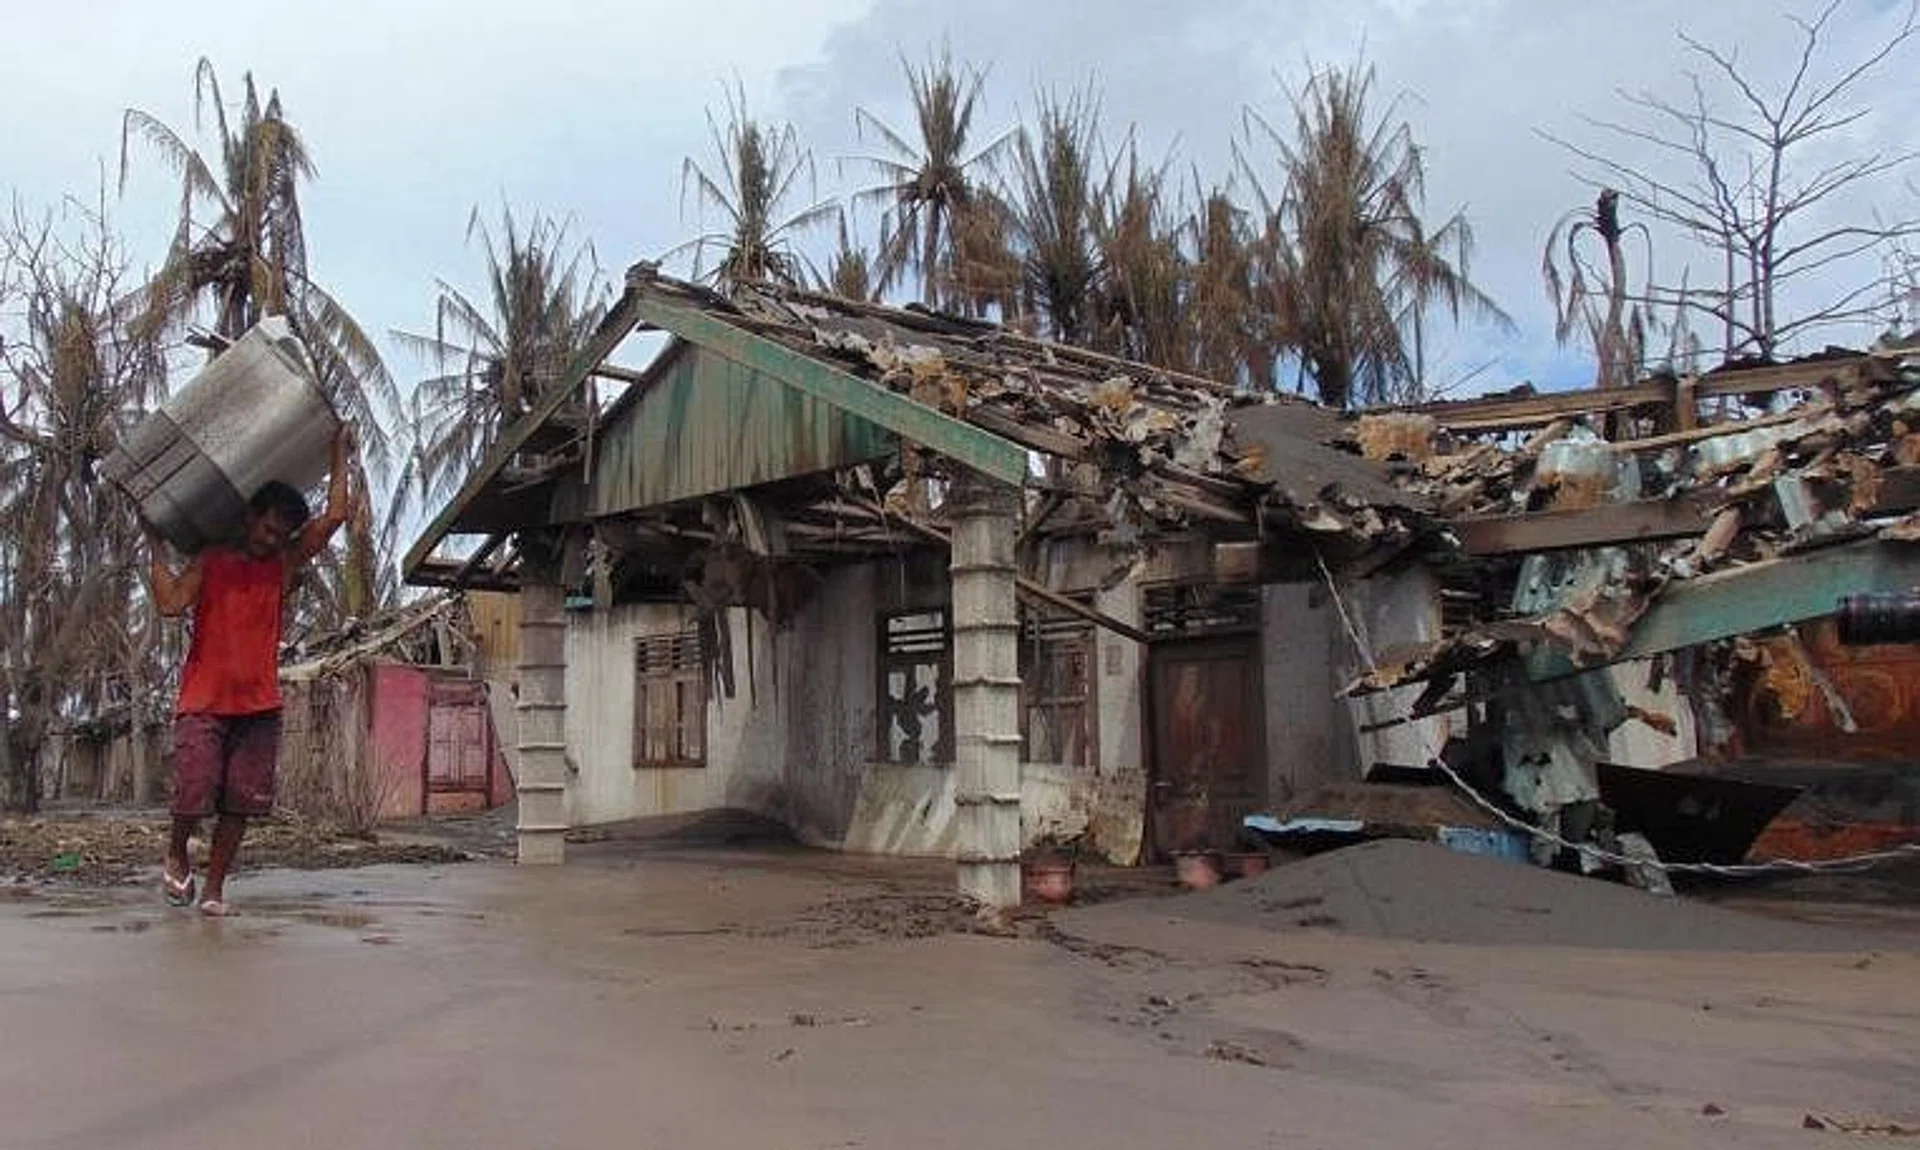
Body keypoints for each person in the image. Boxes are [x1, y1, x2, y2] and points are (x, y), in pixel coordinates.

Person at [144, 425, 354, 916]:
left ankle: (214, 890)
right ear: (249, 517)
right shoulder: (212, 558)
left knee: (241, 804)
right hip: (203, 700)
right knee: (193, 792)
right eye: (266, 528)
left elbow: (338, 514)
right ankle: (176, 851)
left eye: (280, 535)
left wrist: (338, 451)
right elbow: (171, 603)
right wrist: (155, 547)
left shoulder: (282, 564)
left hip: (259, 705)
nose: (270, 539)